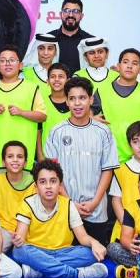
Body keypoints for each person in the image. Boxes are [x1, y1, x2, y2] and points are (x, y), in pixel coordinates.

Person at [43, 76, 119, 244]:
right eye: (72, 98)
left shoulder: (103, 132)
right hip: (65, 209)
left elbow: (108, 169)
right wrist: (70, 204)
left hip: (96, 210)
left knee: (96, 255)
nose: (77, 103)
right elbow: (52, 173)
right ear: (66, 101)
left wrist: (95, 202)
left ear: (91, 99)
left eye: (82, 98)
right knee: (67, 254)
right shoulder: (56, 132)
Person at [11, 159, 109, 278]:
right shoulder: (27, 203)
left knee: (90, 253)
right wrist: (17, 240)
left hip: (63, 252)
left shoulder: (69, 205)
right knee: (19, 251)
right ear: (36, 187)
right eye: (43, 182)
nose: (48, 186)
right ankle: (74, 274)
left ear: (60, 186)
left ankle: (39, 270)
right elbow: (20, 238)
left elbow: (83, 237)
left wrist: (95, 243)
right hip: (37, 250)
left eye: (53, 181)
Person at [0, 46, 46, 171]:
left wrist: (22, 112)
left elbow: (42, 116)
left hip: (23, 161)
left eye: (12, 60)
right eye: (3, 61)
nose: (7, 64)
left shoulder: (31, 88)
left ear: (21, 65)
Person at [92, 48, 140, 164]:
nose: (129, 66)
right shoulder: (102, 90)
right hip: (109, 153)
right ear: (118, 66)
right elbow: (88, 112)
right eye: (125, 62)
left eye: (135, 63)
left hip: (139, 155)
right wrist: (91, 119)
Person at [0, 141, 35, 252]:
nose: (15, 160)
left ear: (25, 162)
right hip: (2, 227)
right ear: (3, 162)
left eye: (20, 156)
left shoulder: (34, 181)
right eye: (10, 156)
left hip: (28, 228)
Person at [35, 62, 71, 160]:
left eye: (61, 76)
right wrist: (40, 156)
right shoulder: (41, 103)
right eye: (53, 76)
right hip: (48, 157)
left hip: (72, 156)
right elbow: (38, 131)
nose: (56, 80)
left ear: (68, 81)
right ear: (47, 81)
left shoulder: (74, 103)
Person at [47, 0, 93, 73]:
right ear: (61, 14)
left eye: (76, 11)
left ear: (81, 16)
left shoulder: (90, 41)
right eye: (67, 11)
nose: (71, 15)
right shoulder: (48, 39)